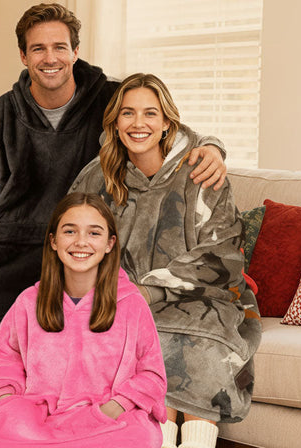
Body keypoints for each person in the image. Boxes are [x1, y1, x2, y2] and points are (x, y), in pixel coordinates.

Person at [0, 2, 228, 408]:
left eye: (59, 47)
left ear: (75, 51)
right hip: (11, 247)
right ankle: (4, 409)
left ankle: (57, 407)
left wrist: (211, 144)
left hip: (81, 245)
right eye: (38, 49)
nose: (50, 58)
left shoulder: (107, 97)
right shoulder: (1, 116)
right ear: (23, 55)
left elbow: (159, 125)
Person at [69, 73, 262, 448]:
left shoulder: (201, 171)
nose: (138, 124)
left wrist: (150, 291)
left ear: (167, 122)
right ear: (115, 122)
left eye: (150, 114)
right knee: (140, 354)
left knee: (198, 350)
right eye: (128, 113)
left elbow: (221, 255)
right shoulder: (96, 177)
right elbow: (73, 241)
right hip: (124, 301)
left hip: (205, 299)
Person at [0, 192, 168, 448]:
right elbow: (4, 359)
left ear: (109, 243)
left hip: (101, 420)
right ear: (53, 241)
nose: (81, 242)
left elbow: (151, 375)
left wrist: (112, 409)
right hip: (33, 419)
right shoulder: (29, 301)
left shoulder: (131, 303)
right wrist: (6, 402)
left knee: (140, 437)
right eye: (70, 231)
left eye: (94, 233)